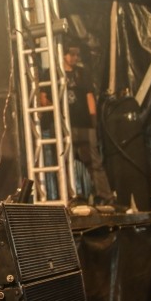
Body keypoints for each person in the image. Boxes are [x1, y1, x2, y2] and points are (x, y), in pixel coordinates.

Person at [61, 40, 115, 206]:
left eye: (77, 54)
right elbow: (44, 98)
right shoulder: (54, 73)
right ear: (63, 54)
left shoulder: (82, 73)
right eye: (72, 54)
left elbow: (90, 97)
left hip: (84, 124)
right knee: (64, 163)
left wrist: (93, 122)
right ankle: (68, 197)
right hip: (64, 126)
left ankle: (106, 197)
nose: (75, 58)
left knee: (94, 163)